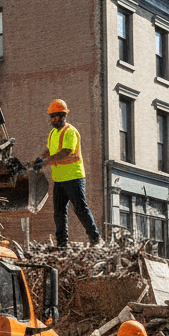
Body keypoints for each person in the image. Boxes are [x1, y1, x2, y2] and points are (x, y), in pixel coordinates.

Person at [35, 99, 100, 247]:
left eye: (55, 117)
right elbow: (50, 150)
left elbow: (64, 152)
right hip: (59, 180)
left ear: (63, 116)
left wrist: (45, 163)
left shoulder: (70, 132)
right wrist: (40, 158)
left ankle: (95, 238)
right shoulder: (52, 133)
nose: (52, 120)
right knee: (59, 213)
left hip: (74, 177)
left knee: (80, 208)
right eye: (51, 117)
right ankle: (62, 244)